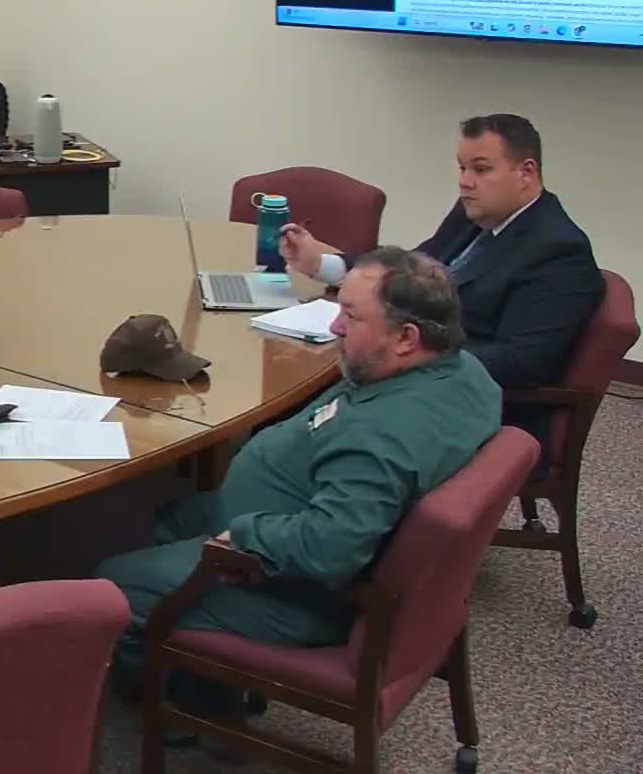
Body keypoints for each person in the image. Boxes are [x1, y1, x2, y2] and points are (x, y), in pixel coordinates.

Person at [95, 248, 498, 740]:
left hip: (291, 589)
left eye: (351, 316)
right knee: (161, 517)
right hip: (290, 517)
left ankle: (180, 716)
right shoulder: (465, 374)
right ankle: (205, 686)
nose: (335, 327)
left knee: (113, 584)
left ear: (406, 338)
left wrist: (246, 533)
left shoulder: (382, 437)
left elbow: (329, 549)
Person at [279, 114, 602, 452]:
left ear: (526, 172)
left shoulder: (559, 251)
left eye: (480, 169)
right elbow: (411, 268)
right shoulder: (475, 213)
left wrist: (408, 351)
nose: (465, 182)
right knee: (291, 393)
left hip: (467, 403)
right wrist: (321, 263)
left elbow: (523, 363)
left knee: (297, 417)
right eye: (462, 168)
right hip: (402, 371)